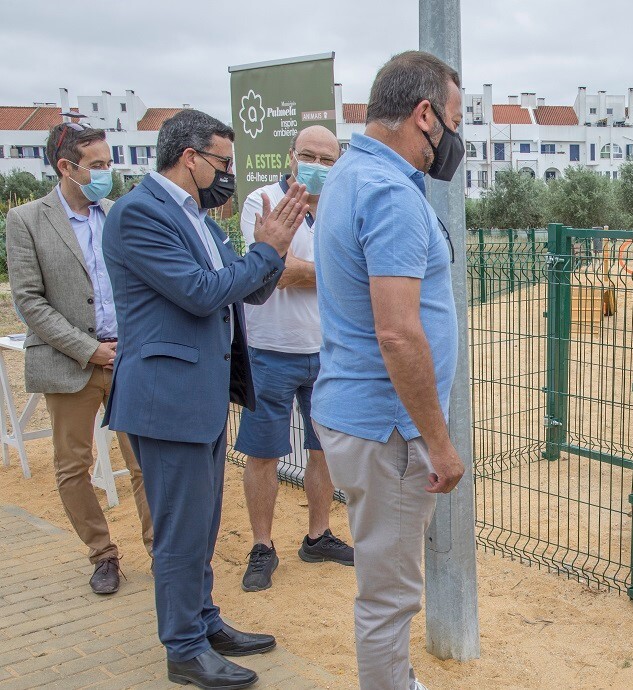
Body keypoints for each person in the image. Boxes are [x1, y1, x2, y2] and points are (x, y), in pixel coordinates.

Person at [102, 109, 308, 690]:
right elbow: (198, 294)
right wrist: (264, 253)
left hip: (200, 395)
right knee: (179, 530)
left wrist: (273, 250)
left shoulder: (198, 219)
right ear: (189, 157)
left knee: (202, 522)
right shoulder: (141, 212)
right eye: (222, 161)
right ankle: (184, 648)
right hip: (166, 399)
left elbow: (241, 284)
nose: (228, 174)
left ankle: (205, 620)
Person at [312, 50, 465, 690]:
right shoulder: (391, 193)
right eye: (455, 120)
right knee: (389, 595)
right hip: (391, 432)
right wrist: (438, 442)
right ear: (423, 114)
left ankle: (397, 678)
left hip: (355, 415)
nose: (456, 140)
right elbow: (398, 333)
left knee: (384, 580)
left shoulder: (348, 175)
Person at [5, 122, 154, 595]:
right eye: (98, 165)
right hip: (71, 362)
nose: (107, 172)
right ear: (66, 167)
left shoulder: (118, 215)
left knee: (147, 461)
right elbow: (29, 302)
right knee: (73, 467)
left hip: (128, 358)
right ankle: (103, 554)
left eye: (109, 163)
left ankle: (160, 550)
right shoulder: (27, 220)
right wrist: (90, 350)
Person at [235, 125, 353, 592]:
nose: (318, 166)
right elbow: (275, 271)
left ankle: (318, 535)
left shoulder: (340, 210)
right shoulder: (262, 203)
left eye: (327, 159)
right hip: (270, 350)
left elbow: (350, 272)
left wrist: (312, 272)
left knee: (324, 449)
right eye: (309, 156)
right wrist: (337, 273)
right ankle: (262, 545)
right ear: (290, 157)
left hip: (326, 353)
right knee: (263, 452)